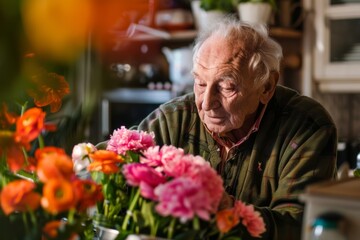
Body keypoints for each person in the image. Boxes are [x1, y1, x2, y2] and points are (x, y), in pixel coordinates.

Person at [134, 16, 338, 240]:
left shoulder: (307, 127)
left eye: (226, 86)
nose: (205, 102)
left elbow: (301, 224)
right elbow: (115, 159)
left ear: (267, 87)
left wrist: (227, 210)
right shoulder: (173, 118)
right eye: (200, 83)